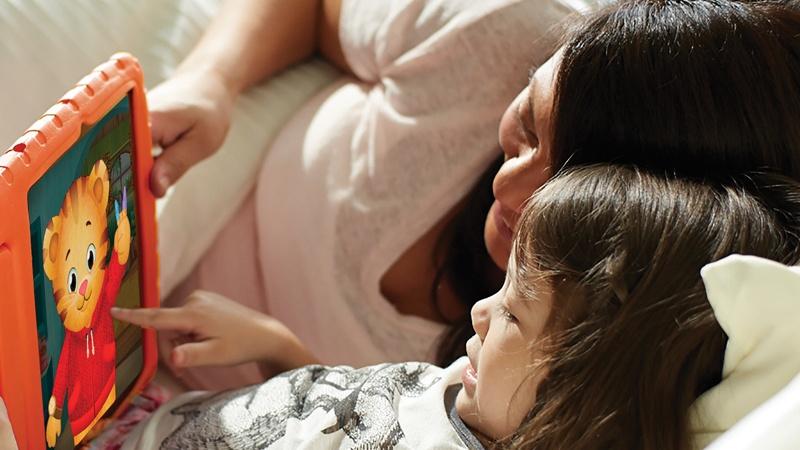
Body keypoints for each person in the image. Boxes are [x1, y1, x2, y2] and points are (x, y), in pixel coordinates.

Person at [150, 0, 800, 391]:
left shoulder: (575, 370)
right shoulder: (507, 31)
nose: (507, 186)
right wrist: (213, 79)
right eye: (524, 130)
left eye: (560, 183)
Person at [105, 164, 800, 449]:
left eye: (516, 313)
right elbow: (360, 422)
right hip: (149, 417)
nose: (478, 313)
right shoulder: (476, 396)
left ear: (582, 394)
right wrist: (279, 350)